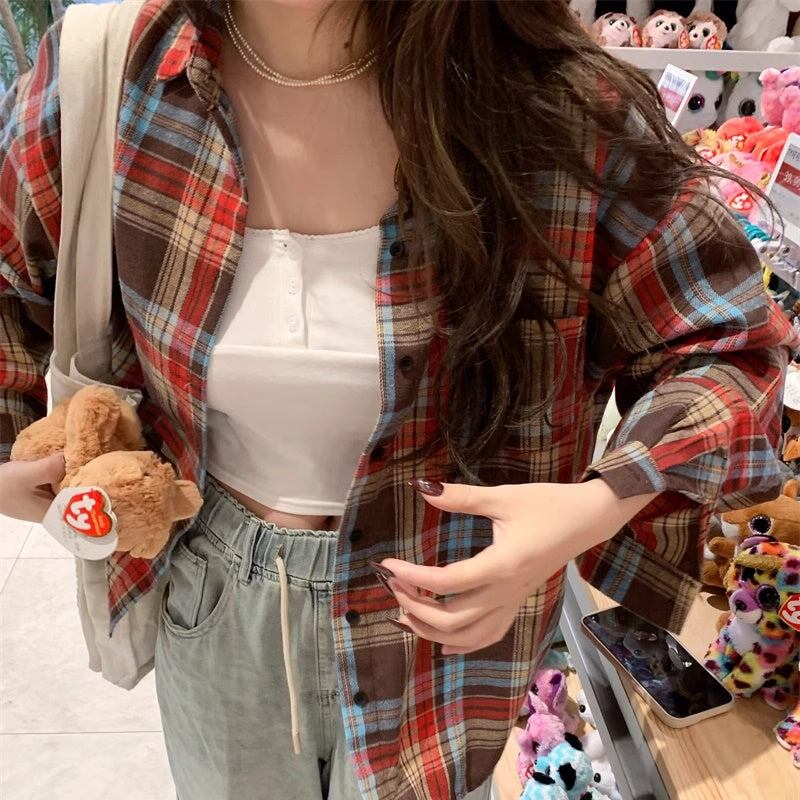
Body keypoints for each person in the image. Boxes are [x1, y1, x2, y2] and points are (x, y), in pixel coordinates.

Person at [0, 1, 796, 799]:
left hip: (446, 615)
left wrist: (597, 503)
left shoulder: (554, 101)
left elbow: (728, 340)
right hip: (216, 594)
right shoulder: (109, 72)